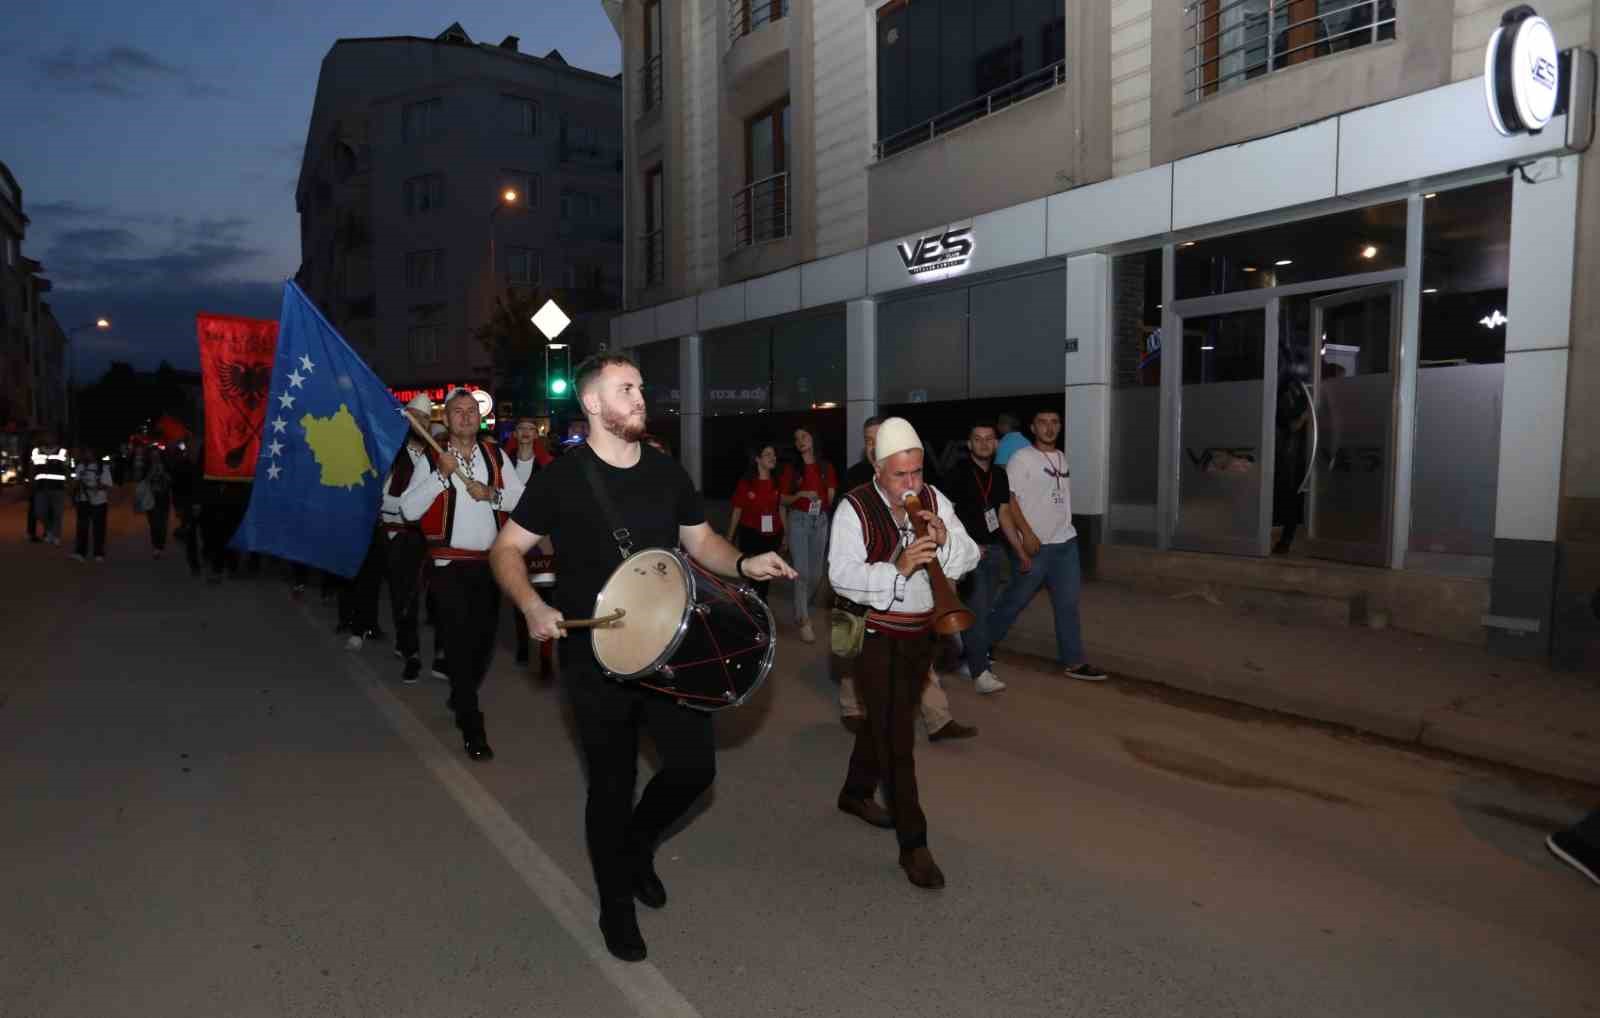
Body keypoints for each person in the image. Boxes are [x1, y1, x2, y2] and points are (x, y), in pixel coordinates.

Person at [489, 353, 795, 963]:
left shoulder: (663, 470)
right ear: (593, 405)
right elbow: (506, 549)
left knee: (694, 769)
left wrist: (744, 564)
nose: (640, 396)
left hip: (669, 653)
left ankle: (634, 847)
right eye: (625, 388)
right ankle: (616, 905)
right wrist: (529, 607)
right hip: (595, 659)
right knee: (611, 784)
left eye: (639, 387)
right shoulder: (562, 478)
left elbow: (701, 540)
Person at [828, 417, 979, 890]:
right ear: (877, 467)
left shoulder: (934, 499)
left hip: (920, 635)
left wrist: (945, 539)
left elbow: (971, 556)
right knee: (897, 737)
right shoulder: (854, 507)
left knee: (885, 717)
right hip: (874, 636)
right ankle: (914, 845)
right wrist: (896, 569)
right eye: (901, 475)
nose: (912, 484)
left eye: (917, 473)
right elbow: (841, 575)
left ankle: (855, 792)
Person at [399, 389, 526, 759]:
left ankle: (461, 689)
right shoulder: (433, 458)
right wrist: (440, 478)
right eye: (458, 411)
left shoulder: (495, 454)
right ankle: (473, 725)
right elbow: (408, 509)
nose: (466, 417)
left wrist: (493, 494)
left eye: (472, 411)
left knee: (483, 644)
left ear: (480, 418)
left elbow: (521, 498)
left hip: (488, 565)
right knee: (456, 641)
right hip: (448, 566)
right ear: (448, 419)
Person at [838, 416, 975, 742]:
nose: (874, 445)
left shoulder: (920, 488)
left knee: (920, 657)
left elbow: (963, 550)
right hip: (868, 590)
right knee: (851, 648)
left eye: (879, 438)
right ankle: (852, 708)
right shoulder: (856, 481)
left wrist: (942, 543)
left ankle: (938, 718)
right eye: (870, 440)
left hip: (912, 596)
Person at [987, 409, 1107, 682]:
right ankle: (980, 645)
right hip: (1037, 546)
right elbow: (1010, 499)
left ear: (1060, 426)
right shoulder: (1022, 458)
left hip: (1065, 543)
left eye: (1054, 422)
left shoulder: (1061, 457)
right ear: (1033, 427)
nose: (1049, 428)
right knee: (1014, 600)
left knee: (1068, 605)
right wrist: (1026, 535)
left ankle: (1074, 662)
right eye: (1043, 422)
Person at [946, 421, 1031, 694]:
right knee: (978, 612)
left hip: (995, 551)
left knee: (979, 610)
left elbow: (1003, 514)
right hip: (970, 555)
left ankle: (965, 657)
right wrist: (967, 546)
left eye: (988, 439)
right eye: (977, 439)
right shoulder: (957, 473)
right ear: (969, 444)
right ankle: (981, 672)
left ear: (996, 444)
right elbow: (946, 515)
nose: (983, 443)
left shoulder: (999, 475)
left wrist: (1018, 550)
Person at [382, 396, 433, 681]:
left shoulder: (435, 455)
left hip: (429, 537)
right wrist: (406, 505)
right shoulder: (390, 453)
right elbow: (383, 498)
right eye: (414, 417)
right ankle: (410, 651)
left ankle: (441, 655)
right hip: (399, 536)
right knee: (405, 596)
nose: (420, 423)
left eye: (425, 419)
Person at [778, 425, 838, 644]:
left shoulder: (826, 466)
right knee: (801, 571)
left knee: (816, 575)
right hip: (799, 521)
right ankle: (803, 619)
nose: (800, 441)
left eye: (804, 436)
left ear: (813, 439)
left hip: (820, 521)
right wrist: (801, 494)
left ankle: (799, 606)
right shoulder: (791, 469)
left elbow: (831, 496)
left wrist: (826, 498)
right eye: (796, 438)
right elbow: (783, 499)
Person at [725, 443, 784, 603]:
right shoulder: (747, 483)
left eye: (774, 454)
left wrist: (785, 534)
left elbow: (780, 507)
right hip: (751, 534)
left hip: (772, 534)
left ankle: (760, 606)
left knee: (767, 575)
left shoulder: (777, 481)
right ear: (758, 459)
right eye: (768, 454)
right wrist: (730, 537)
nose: (773, 458)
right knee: (753, 575)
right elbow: (737, 510)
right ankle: (754, 606)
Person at [71, 449, 113, 562]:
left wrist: (96, 487)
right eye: (85, 452)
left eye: (88, 452)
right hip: (83, 500)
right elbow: (76, 482)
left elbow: (108, 485)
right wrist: (74, 489)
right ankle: (80, 553)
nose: (86, 454)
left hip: (99, 501)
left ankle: (98, 553)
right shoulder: (80, 467)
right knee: (82, 527)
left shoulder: (102, 468)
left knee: (98, 528)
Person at [29, 434, 70, 546]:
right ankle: (49, 530)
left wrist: (68, 485)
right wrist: (31, 483)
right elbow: (32, 467)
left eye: (51, 437)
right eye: (47, 437)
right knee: (39, 512)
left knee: (57, 513)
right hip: (41, 487)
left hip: (58, 487)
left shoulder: (62, 452)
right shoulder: (36, 451)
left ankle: (56, 536)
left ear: (56, 439)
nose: (48, 439)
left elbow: (67, 469)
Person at [141, 450, 173, 559]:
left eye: (157, 455)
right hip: (151, 498)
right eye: (153, 455)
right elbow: (143, 482)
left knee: (163, 524)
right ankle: (156, 547)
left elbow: (171, 481)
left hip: (163, 498)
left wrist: (163, 473)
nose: (155, 458)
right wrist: (152, 472)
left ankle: (160, 545)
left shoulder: (166, 466)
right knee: (154, 524)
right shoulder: (146, 467)